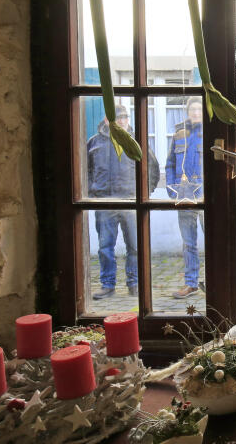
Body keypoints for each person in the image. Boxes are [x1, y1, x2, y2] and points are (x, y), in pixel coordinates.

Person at [88, 105, 160, 299]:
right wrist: (91, 194)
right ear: (107, 120)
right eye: (117, 118)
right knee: (105, 247)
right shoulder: (94, 143)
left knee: (135, 246)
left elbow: (152, 167)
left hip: (131, 202)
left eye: (124, 117)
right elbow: (85, 171)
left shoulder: (136, 141)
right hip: (104, 203)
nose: (121, 121)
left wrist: (145, 192)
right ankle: (107, 285)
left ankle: (134, 284)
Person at [166, 96, 205, 299]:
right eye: (193, 110)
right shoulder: (179, 133)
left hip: (206, 195)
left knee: (214, 240)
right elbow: (170, 163)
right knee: (189, 243)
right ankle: (191, 284)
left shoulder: (210, 132)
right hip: (185, 195)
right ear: (188, 112)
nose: (196, 113)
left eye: (199, 110)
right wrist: (172, 190)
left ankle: (214, 282)